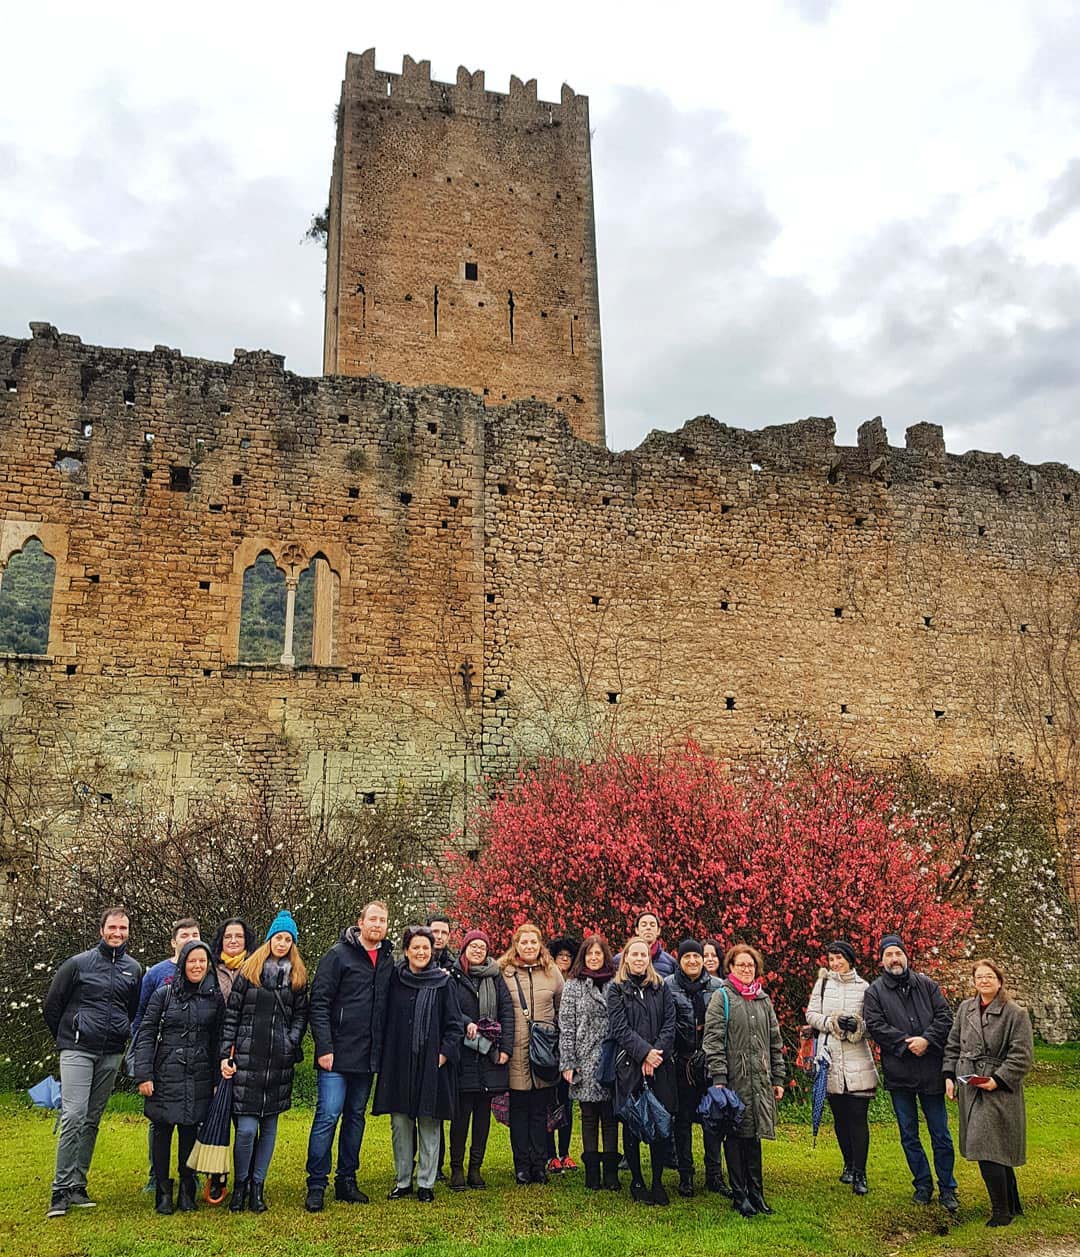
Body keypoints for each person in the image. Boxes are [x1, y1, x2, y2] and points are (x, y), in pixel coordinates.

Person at [43, 907, 143, 1219]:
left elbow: (133, 1008)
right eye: (112, 927)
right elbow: (52, 1005)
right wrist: (70, 1034)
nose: (118, 933)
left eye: (123, 928)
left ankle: (77, 1184)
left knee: (92, 1119)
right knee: (74, 1114)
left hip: (111, 1052)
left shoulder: (133, 968)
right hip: (77, 1049)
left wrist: (121, 1034)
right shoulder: (78, 964)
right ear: (101, 929)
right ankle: (59, 1190)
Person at [305, 900, 394, 1212]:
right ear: (361, 921)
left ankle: (347, 1180)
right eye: (372, 919)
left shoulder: (387, 959)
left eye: (382, 920)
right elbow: (319, 1002)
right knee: (328, 1116)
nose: (377, 924)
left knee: (355, 1118)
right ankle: (316, 1183)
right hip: (336, 1054)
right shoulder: (337, 955)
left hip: (368, 1056)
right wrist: (324, 1047)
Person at [219, 911, 309, 1213]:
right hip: (247, 1058)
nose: (282, 943)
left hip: (279, 1061)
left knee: (269, 1128)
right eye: (278, 937)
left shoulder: (297, 977)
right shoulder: (249, 971)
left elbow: (300, 1015)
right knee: (245, 1130)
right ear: (270, 939)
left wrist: (292, 1040)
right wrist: (225, 1052)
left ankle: (258, 1186)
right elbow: (232, 1014)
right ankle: (241, 1185)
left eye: (287, 939)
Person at [863, 933, 958, 1211]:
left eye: (898, 954)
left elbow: (944, 1017)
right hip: (900, 1073)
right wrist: (906, 1044)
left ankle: (948, 1187)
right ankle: (923, 1184)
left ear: (906, 956)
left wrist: (926, 1039)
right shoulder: (875, 992)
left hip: (930, 1070)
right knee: (909, 1134)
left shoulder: (927, 985)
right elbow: (876, 1025)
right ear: (881, 960)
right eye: (889, 955)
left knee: (940, 1133)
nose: (894, 959)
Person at [373, 926, 463, 1202]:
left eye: (426, 947)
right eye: (416, 947)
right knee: (400, 1123)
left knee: (428, 1121)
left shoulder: (444, 983)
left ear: (432, 951)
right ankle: (403, 1181)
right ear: (407, 950)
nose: (421, 952)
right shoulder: (395, 980)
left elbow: (455, 1025)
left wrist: (443, 1055)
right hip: (398, 1062)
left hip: (432, 1065)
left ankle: (426, 1181)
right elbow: (382, 1017)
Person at [134, 939, 224, 1215]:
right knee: (162, 1130)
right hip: (165, 1073)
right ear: (183, 962)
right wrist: (144, 1074)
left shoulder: (214, 997)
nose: (197, 966)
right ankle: (163, 1191)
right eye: (192, 961)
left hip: (198, 1073)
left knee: (189, 1130)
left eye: (202, 961)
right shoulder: (164, 994)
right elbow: (146, 1034)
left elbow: (218, 1040)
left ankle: (188, 1189)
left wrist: (215, 1080)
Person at [943, 959, 1034, 1227]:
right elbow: (952, 1044)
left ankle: (1001, 1211)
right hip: (969, 1085)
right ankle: (1013, 1205)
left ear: (999, 980)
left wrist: (998, 1080)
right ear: (974, 982)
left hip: (999, 1090)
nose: (984, 981)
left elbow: (1022, 1056)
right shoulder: (965, 1009)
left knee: (988, 1147)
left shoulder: (1015, 1014)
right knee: (993, 1147)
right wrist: (949, 1076)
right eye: (979, 977)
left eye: (989, 977)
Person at [703, 943, 785, 1218]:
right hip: (733, 1079)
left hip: (760, 1080)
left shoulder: (763, 999)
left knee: (754, 1137)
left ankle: (757, 1192)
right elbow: (712, 1041)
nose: (746, 969)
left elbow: (775, 1042)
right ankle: (740, 1195)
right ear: (731, 967)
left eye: (750, 964)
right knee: (736, 1136)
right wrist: (719, 1078)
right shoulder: (722, 997)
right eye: (741, 964)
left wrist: (778, 1077)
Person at [129, 916, 201, 1195]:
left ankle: (189, 1176)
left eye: (195, 934)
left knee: (190, 1120)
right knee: (159, 1120)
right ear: (174, 942)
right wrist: (141, 1058)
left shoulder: (203, 970)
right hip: (161, 1058)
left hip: (193, 1061)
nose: (190, 938)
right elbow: (141, 1014)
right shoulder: (157, 973)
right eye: (184, 935)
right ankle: (155, 1175)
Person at [805, 940, 878, 1196]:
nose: (835, 964)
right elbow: (811, 1014)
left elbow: (873, 1023)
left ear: (849, 959)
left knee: (858, 1118)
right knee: (840, 1118)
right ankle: (848, 1163)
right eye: (831, 959)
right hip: (831, 1058)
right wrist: (832, 1022)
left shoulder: (865, 988)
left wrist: (857, 1026)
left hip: (857, 1057)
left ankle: (861, 1172)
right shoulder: (823, 983)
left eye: (839, 959)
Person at [608, 936, 677, 1206]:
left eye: (643, 955)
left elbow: (670, 1024)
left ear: (649, 959)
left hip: (659, 1066)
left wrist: (655, 1053)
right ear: (625, 958)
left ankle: (658, 1180)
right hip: (629, 1066)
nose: (639, 959)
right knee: (633, 1124)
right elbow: (619, 1027)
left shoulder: (661, 987)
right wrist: (644, 1053)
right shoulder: (616, 990)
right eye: (633, 955)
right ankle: (637, 1179)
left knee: (661, 1124)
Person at [447, 929, 515, 1190]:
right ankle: (456, 1169)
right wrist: (467, 1023)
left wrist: (506, 1048)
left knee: (482, 1116)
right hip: (463, 1055)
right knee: (461, 1116)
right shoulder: (454, 976)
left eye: (482, 947)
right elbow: (450, 1008)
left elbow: (507, 1013)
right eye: (473, 946)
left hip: (490, 1055)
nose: (478, 950)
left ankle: (476, 1168)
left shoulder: (495, 976)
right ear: (464, 949)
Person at [500, 922, 564, 1184]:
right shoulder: (503, 972)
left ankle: (539, 1164)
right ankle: (521, 1164)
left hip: (544, 1051)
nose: (528, 946)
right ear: (516, 944)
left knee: (540, 1111)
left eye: (533, 942)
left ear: (540, 946)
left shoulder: (553, 973)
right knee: (519, 1110)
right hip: (515, 1050)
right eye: (524, 942)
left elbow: (562, 1009)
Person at [665, 938, 729, 1197]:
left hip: (710, 1061)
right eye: (687, 957)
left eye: (697, 956)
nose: (692, 961)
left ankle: (714, 1174)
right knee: (682, 1121)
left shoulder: (718, 987)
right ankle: (686, 1174)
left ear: (704, 959)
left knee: (712, 1120)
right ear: (679, 960)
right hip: (681, 1062)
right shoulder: (668, 986)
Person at [559, 934, 619, 1191]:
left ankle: (611, 1172)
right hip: (582, 1058)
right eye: (589, 954)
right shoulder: (573, 986)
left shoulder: (616, 984)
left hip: (609, 1057)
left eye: (598, 954)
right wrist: (568, 1062)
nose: (594, 958)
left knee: (610, 1115)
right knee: (588, 1115)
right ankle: (592, 1172)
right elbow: (567, 1026)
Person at [546, 934, 581, 1172]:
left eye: (569, 956)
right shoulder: (549, 979)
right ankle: (550, 1155)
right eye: (561, 956)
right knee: (549, 1104)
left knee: (566, 1104)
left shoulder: (576, 982)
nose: (565, 960)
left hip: (570, 1049)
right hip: (549, 1048)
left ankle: (565, 1152)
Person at [614, 911, 676, 977]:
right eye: (644, 925)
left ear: (658, 931)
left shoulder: (670, 962)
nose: (648, 928)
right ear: (637, 930)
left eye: (652, 925)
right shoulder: (619, 960)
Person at [211, 918, 257, 1004]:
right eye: (228, 937)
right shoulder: (211, 969)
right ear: (221, 941)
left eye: (239, 936)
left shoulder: (256, 968)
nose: (233, 941)